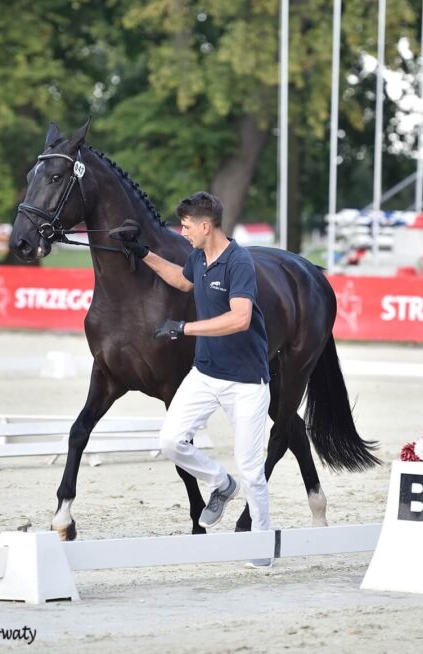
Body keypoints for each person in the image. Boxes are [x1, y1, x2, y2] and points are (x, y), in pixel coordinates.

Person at [127, 191, 273, 568]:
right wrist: (143, 253)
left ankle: (261, 544)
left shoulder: (238, 262)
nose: (183, 231)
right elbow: (182, 281)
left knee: (253, 470)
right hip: (205, 375)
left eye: (187, 226)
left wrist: (185, 328)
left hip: (245, 382)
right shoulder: (200, 257)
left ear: (206, 226)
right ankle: (221, 483)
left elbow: (240, 318)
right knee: (171, 441)